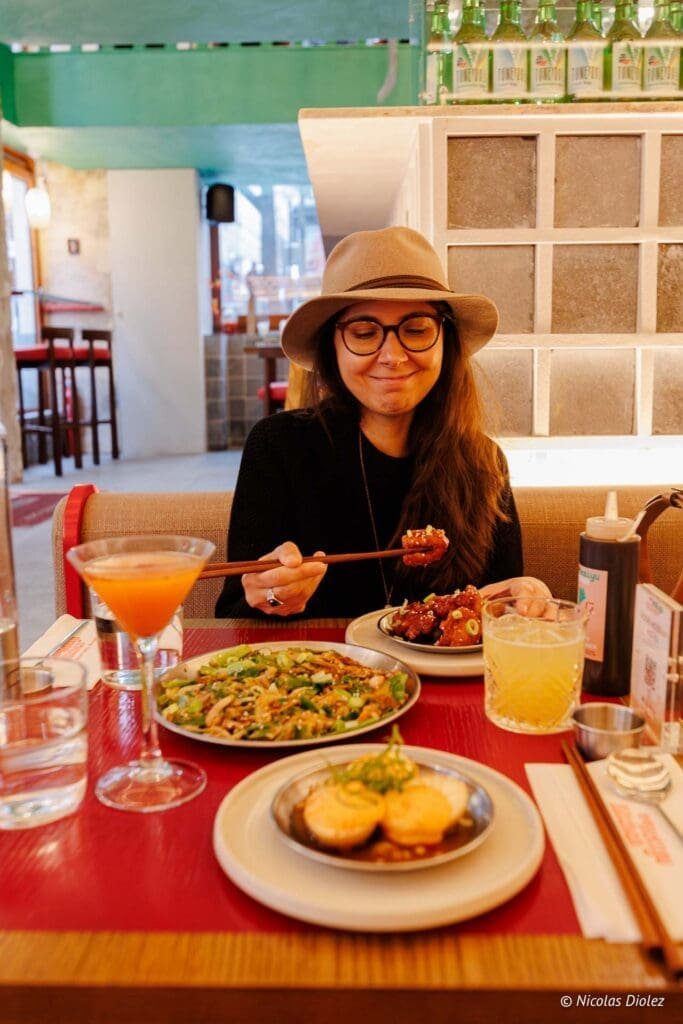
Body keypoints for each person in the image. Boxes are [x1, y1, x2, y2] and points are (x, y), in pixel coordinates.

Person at [216, 226, 550, 619]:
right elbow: (233, 613)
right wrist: (271, 597)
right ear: (333, 347)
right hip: (319, 675)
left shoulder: (483, 462)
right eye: (363, 333)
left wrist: (523, 596)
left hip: (442, 680)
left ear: (446, 340)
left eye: (416, 329)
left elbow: (502, 607)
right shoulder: (279, 446)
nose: (392, 355)